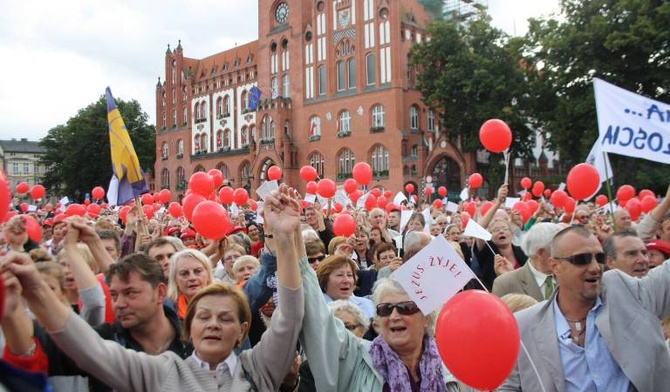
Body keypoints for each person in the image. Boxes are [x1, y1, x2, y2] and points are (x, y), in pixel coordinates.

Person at [0, 183, 304, 392]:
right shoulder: (163, 370)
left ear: (242, 331)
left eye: (225, 318)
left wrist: (285, 236)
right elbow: (92, 351)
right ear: (188, 328)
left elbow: (289, 318)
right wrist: (36, 291)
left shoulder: (258, 369)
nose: (212, 324)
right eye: (203, 317)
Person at [500, 225, 670, 391]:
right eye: (581, 259)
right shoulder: (524, 326)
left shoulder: (628, 292)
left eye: (599, 258)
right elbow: (507, 387)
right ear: (554, 266)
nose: (595, 267)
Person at [472, 184, 528, 290]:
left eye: (504, 228)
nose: (501, 231)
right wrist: (498, 202)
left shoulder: (522, 251)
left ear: (511, 234)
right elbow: (478, 230)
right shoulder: (488, 251)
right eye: (496, 230)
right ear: (490, 236)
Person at [493, 223, 562, 302]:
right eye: (559, 251)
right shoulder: (505, 284)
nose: (566, 255)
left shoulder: (569, 276)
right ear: (540, 252)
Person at [167, 249, 215, 320]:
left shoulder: (225, 304)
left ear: (208, 275)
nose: (192, 278)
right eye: (184, 273)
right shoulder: (168, 312)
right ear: (175, 280)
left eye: (198, 271)